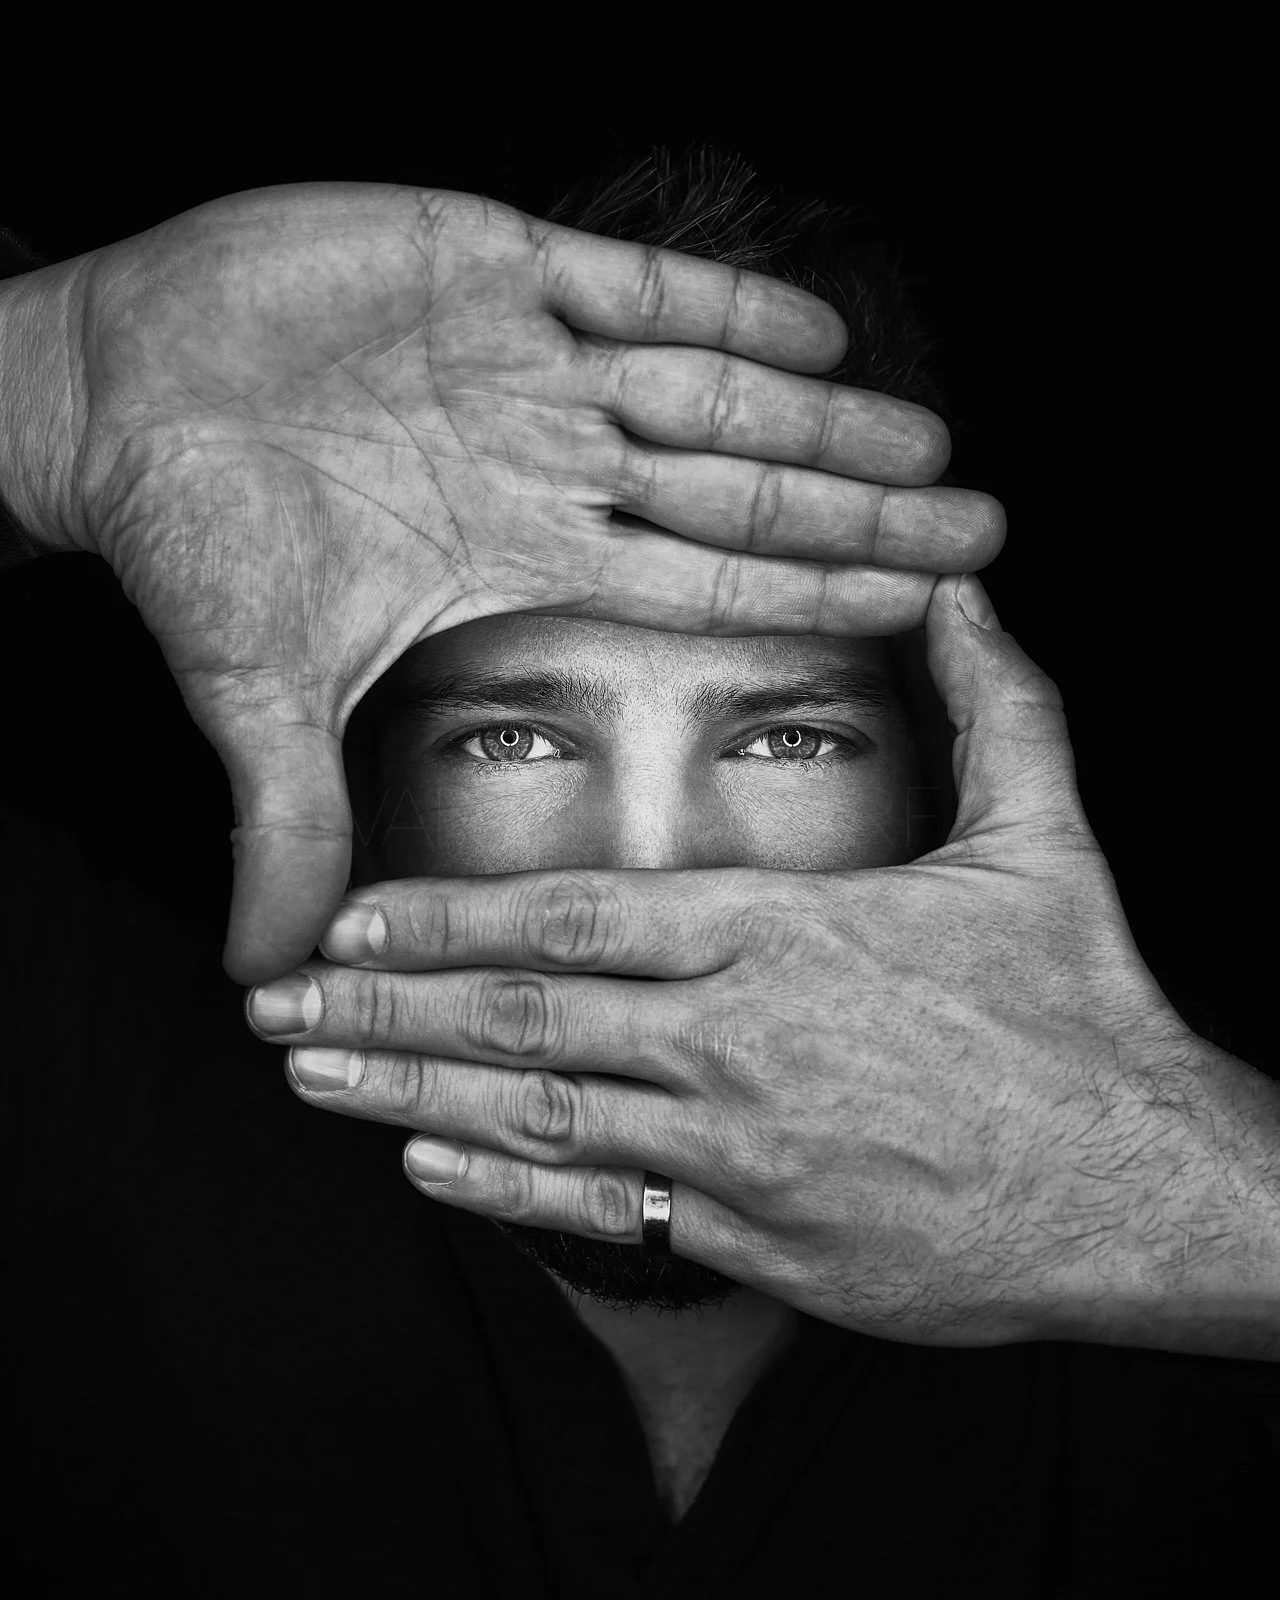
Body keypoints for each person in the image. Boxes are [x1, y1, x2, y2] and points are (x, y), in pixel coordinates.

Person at [3, 149, 1275, 1596]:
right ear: (363, 785)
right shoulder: (83, 1097)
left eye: (788, 740)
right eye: (515, 742)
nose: (654, 877)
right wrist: (58, 380)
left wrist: (1170, 1206)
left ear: (946, 783)